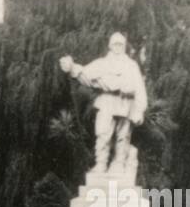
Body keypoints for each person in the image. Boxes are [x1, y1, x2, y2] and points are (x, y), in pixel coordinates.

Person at [59, 31, 149, 176]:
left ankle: (119, 164)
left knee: (123, 136)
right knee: (102, 133)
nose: (118, 47)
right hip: (106, 102)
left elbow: (139, 88)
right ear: (110, 45)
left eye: (121, 44)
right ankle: (101, 164)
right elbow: (86, 75)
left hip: (125, 104)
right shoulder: (102, 63)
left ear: (125, 46)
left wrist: (140, 110)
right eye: (115, 44)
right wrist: (72, 68)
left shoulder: (131, 65)